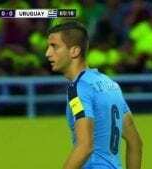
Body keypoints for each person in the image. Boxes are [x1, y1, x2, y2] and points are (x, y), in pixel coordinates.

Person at [45, 21, 143, 169]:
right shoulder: (110, 84)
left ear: (74, 51)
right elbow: (135, 142)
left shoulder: (78, 88)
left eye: (54, 46)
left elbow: (85, 147)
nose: (47, 53)